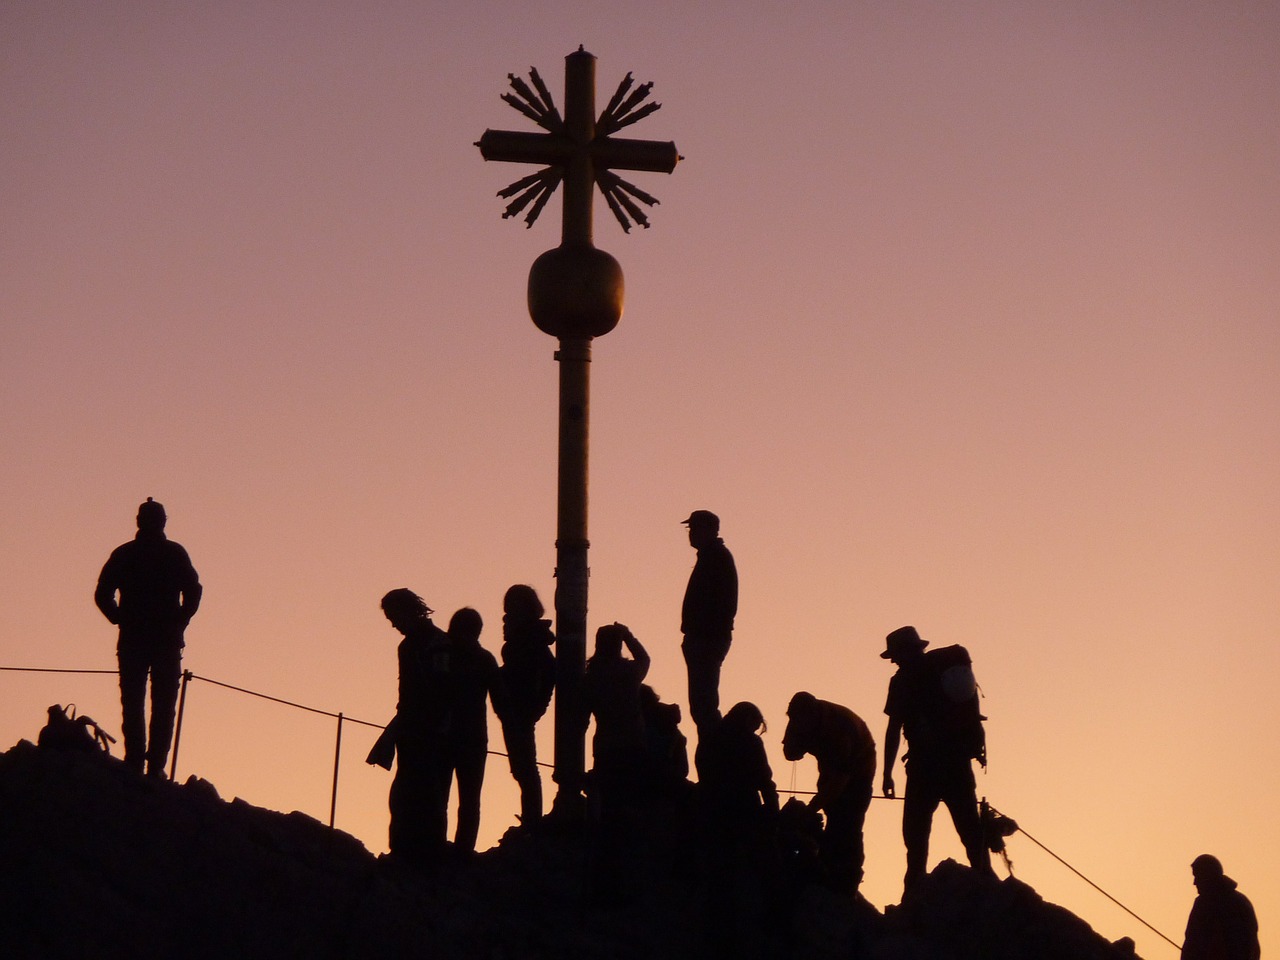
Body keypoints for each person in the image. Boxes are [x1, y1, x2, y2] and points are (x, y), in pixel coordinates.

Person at [880, 625, 993, 895]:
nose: (893, 660)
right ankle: (988, 883)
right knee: (969, 829)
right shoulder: (943, 673)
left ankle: (914, 893)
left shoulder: (902, 682)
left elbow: (894, 728)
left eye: (895, 654)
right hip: (956, 762)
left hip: (924, 767)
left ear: (906, 652)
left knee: (915, 836)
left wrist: (886, 773)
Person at [94, 498, 202, 777]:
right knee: (156, 704)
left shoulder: (127, 554)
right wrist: (180, 621)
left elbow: (103, 593)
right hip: (158, 639)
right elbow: (193, 591)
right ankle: (152, 767)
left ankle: (140, 763)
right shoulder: (172, 553)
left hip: (140, 638)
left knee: (137, 702)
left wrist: (119, 617)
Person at [369, 588, 452, 864]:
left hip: (432, 733)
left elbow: (440, 691)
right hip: (413, 730)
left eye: (394, 617)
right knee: (407, 795)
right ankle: (406, 851)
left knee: (427, 795)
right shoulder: (415, 645)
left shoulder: (436, 644)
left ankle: (425, 854)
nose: (394, 624)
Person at [781, 691, 876, 894]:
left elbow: (839, 782)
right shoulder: (800, 717)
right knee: (833, 814)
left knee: (849, 822)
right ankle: (828, 865)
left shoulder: (839, 730)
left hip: (859, 771)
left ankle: (848, 878)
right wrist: (795, 744)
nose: (795, 724)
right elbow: (790, 752)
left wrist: (811, 809)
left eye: (798, 722)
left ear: (811, 716)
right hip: (830, 768)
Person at [496, 585, 556, 825]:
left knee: (525, 767)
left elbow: (545, 675)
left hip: (519, 709)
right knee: (523, 766)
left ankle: (532, 819)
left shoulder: (529, 641)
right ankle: (532, 818)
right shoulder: (528, 638)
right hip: (517, 708)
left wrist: (535, 707)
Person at [446, 607, 502, 853]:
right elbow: (501, 701)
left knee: (441, 796)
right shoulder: (485, 659)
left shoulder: (445, 655)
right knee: (469, 800)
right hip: (473, 738)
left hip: (446, 735)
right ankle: (463, 850)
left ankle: (447, 848)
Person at [680, 510, 738, 736]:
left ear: (711, 530)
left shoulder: (717, 557)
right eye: (690, 528)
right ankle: (715, 747)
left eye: (695, 528)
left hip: (706, 639)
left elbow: (723, 603)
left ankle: (716, 749)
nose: (691, 533)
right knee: (702, 704)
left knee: (703, 705)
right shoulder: (711, 557)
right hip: (703, 639)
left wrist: (703, 635)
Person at [584, 622, 650, 818]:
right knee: (632, 799)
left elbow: (583, 715)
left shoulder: (592, 677)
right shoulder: (629, 673)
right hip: (633, 743)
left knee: (609, 801)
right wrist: (628, 635)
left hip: (606, 745)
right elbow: (644, 659)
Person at [1181, 854, 1260, 960]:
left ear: (1208, 876)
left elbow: (1193, 944)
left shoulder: (1206, 904)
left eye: (1197, 876)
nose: (1194, 882)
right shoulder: (1241, 902)